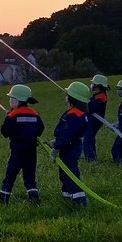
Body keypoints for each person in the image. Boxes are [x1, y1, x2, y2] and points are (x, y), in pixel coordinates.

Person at [0, 84, 44, 204]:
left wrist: (8, 118)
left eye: (11, 98)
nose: (10, 100)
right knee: (30, 176)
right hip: (31, 151)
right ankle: (34, 197)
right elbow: (40, 129)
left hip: (17, 151)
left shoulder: (12, 115)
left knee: (10, 175)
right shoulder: (34, 114)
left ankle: (3, 198)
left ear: (16, 101)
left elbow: (4, 132)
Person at [49, 81, 91, 209]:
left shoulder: (74, 115)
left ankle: (80, 200)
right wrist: (56, 141)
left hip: (70, 147)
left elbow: (67, 133)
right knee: (64, 172)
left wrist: (56, 147)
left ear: (73, 97)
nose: (66, 96)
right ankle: (68, 194)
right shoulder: (77, 113)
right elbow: (67, 133)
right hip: (70, 144)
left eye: (68, 94)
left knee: (71, 172)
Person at [82, 74, 110, 162]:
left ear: (98, 85)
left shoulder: (101, 97)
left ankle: (90, 159)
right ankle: (92, 157)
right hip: (92, 121)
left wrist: (86, 103)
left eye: (94, 83)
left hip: (94, 122)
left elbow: (92, 108)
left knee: (87, 140)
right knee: (89, 139)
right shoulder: (96, 95)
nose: (92, 85)